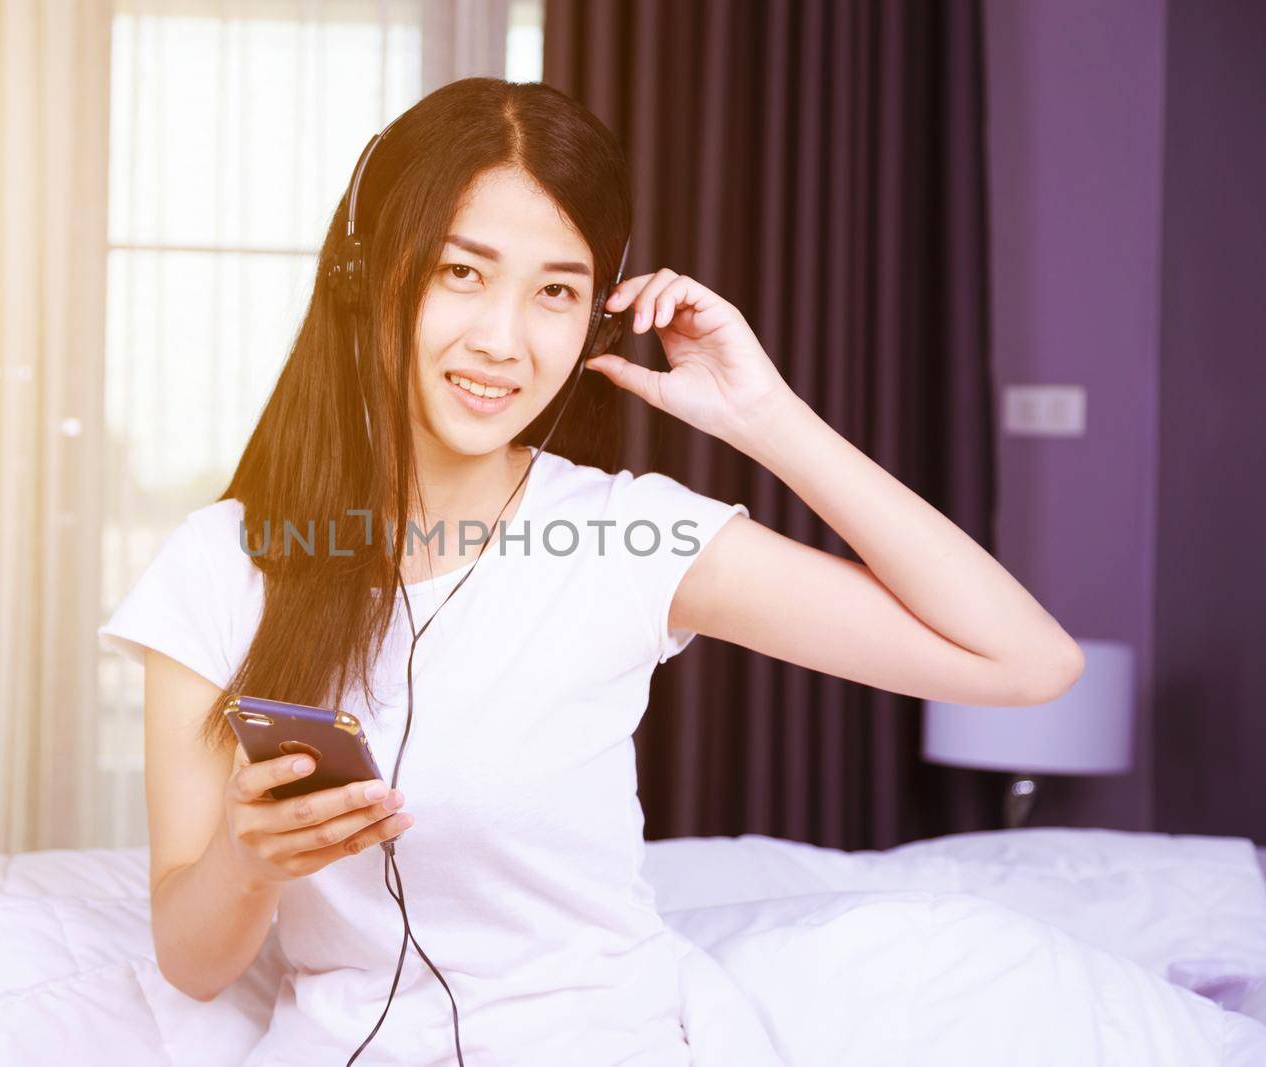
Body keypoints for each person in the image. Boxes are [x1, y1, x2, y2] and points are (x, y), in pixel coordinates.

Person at [100, 77, 1084, 1067]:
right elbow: (191, 963)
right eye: (461, 272)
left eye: (555, 292)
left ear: (597, 322)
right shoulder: (221, 563)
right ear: (368, 272)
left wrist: (765, 415)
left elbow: (1027, 663)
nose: (502, 338)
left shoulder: (625, 536)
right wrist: (246, 857)